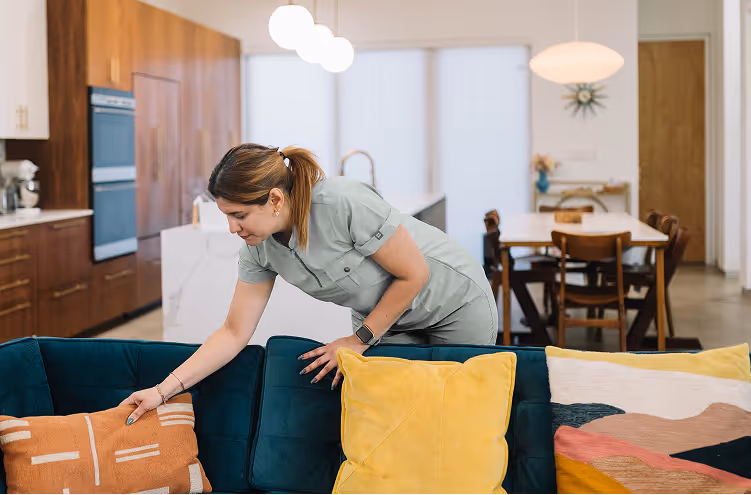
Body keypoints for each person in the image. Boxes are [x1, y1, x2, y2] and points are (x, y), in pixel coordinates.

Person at [121, 144, 497, 424]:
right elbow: (234, 332)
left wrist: (358, 339)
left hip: (453, 303)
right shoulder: (259, 248)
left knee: (460, 413)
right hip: (385, 319)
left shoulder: (342, 202)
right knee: (399, 417)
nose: (232, 229)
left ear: (274, 198)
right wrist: (162, 391)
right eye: (226, 216)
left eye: (239, 215)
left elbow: (414, 274)